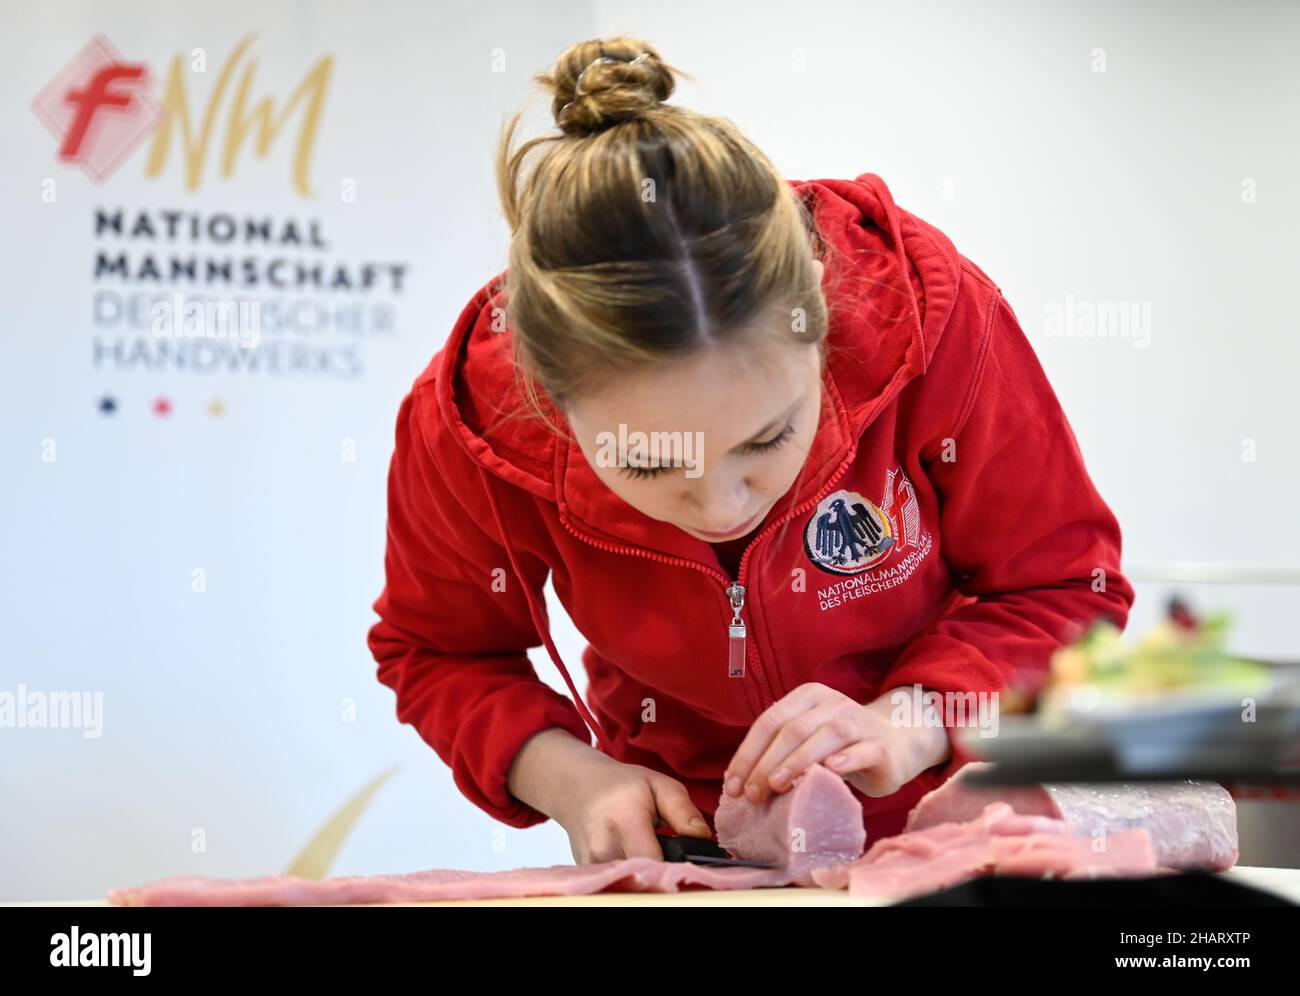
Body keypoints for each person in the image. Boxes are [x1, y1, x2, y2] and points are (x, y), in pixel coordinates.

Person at [367, 35, 1134, 864]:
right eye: (650, 463)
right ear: (546, 396)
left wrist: (913, 722)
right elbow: (440, 650)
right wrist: (571, 778)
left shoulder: (937, 322)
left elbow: (1061, 584)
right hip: (684, 845)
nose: (726, 504)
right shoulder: (471, 422)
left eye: (767, 437)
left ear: (822, 316)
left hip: (942, 825)